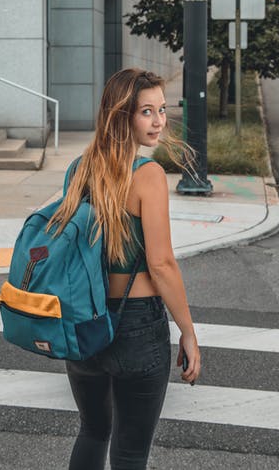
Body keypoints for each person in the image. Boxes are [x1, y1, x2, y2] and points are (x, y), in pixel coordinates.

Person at [48, 68, 201, 470]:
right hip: (136, 326)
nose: (159, 121)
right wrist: (188, 331)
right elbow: (162, 264)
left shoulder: (78, 169)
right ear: (122, 116)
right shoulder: (148, 176)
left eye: (162, 110)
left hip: (84, 320)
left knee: (93, 430)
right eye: (146, 111)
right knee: (131, 453)